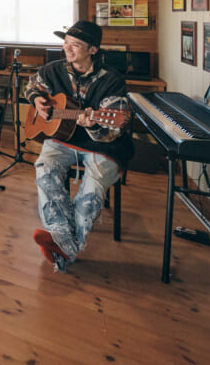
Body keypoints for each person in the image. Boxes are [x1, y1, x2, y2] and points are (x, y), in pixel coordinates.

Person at [23, 20, 131, 270]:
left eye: (75, 45)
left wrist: (92, 124)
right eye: (66, 43)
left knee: (92, 189)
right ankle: (64, 243)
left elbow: (114, 129)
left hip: (103, 146)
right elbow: (32, 85)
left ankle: (63, 245)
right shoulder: (53, 69)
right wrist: (37, 98)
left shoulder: (112, 80)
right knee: (45, 171)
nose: (67, 49)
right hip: (61, 139)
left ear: (93, 50)